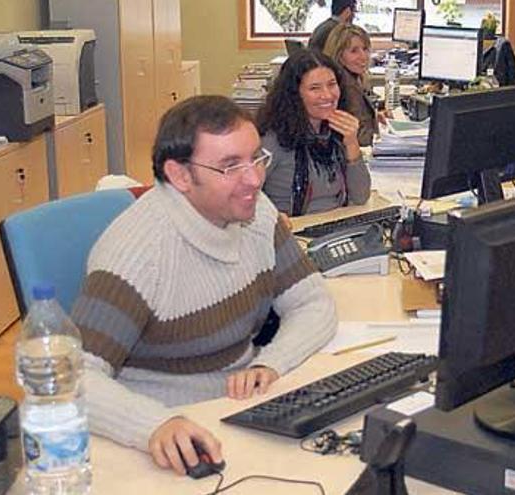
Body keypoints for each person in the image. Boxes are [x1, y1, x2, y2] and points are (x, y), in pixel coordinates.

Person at [70, 95, 337, 475]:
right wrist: (152, 425)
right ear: (180, 175)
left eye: (255, 158)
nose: (254, 179)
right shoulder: (138, 254)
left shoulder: (254, 210)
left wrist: (273, 362)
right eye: (230, 166)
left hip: (241, 407)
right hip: (174, 430)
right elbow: (72, 376)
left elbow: (313, 303)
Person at [257, 49, 371, 216]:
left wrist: (352, 143)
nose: (327, 95)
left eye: (332, 84)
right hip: (294, 231)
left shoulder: (335, 131)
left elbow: (360, 197)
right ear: (295, 94)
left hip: (335, 225)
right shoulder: (272, 140)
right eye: (314, 88)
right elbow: (239, 194)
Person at [323, 23, 379, 146]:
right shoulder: (346, 85)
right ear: (339, 55)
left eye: (365, 49)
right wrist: (385, 134)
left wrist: (375, 118)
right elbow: (361, 137)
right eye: (354, 51)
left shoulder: (346, 77)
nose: (363, 57)